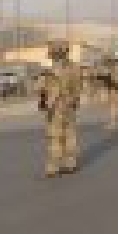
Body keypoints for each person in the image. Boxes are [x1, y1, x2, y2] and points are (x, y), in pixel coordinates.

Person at [36, 41, 84, 178]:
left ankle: (56, 165)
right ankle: (67, 163)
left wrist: (73, 100)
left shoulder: (62, 69)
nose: (53, 54)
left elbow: (77, 87)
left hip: (61, 104)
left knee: (59, 135)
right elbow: (40, 87)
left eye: (54, 52)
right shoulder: (68, 68)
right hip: (58, 105)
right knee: (64, 134)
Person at [90, 54, 118, 132]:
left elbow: (111, 79)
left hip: (115, 90)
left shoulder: (114, 70)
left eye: (106, 62)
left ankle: (113, 123)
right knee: (114, 106)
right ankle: (115, 122)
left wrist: (99, 76)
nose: (105, 64)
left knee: (113, 106)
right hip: (114, 89)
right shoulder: (115, 68)